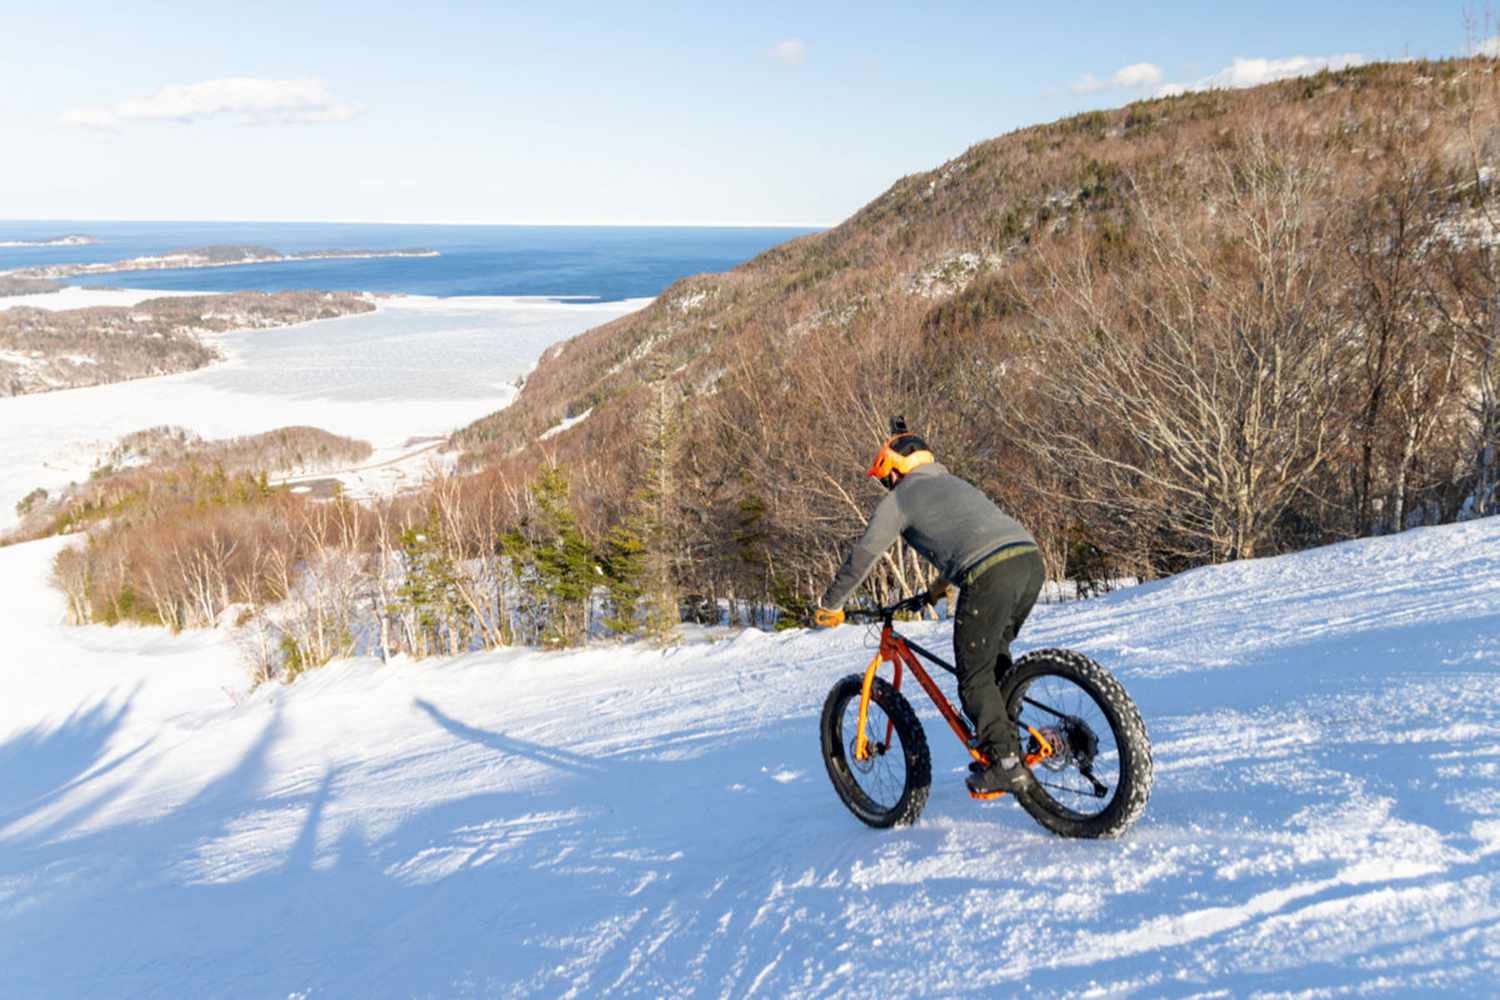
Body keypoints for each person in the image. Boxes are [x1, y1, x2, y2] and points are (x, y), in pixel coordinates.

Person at [814, 420, 1045, 798]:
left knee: (974, 676)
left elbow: (863, 556)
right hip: (1029, 561)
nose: (885, 485)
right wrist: (938, 587)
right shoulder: (953, 483)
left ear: (895, 470)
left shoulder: (900, 498)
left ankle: (1005, 762)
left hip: (989, 574)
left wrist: (831, 605)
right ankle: (1010, 742)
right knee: (993, 660)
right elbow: (975, 536)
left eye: (885, 477)